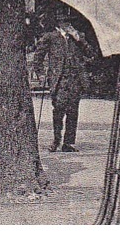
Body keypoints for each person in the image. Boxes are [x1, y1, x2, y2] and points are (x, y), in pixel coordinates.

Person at [34, 15, 87, 152]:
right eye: (65, 21)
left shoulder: (77, 37)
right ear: (59, 23)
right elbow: (38, 56)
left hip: (75, 80)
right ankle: (56, 140)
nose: (68, 24)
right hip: (59, 81)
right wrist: (40, 73)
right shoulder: (50, 37)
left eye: (70, 21)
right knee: (58, 111)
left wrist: (79, 39)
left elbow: (90, 53)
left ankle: (68, 143)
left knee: (73, 112)